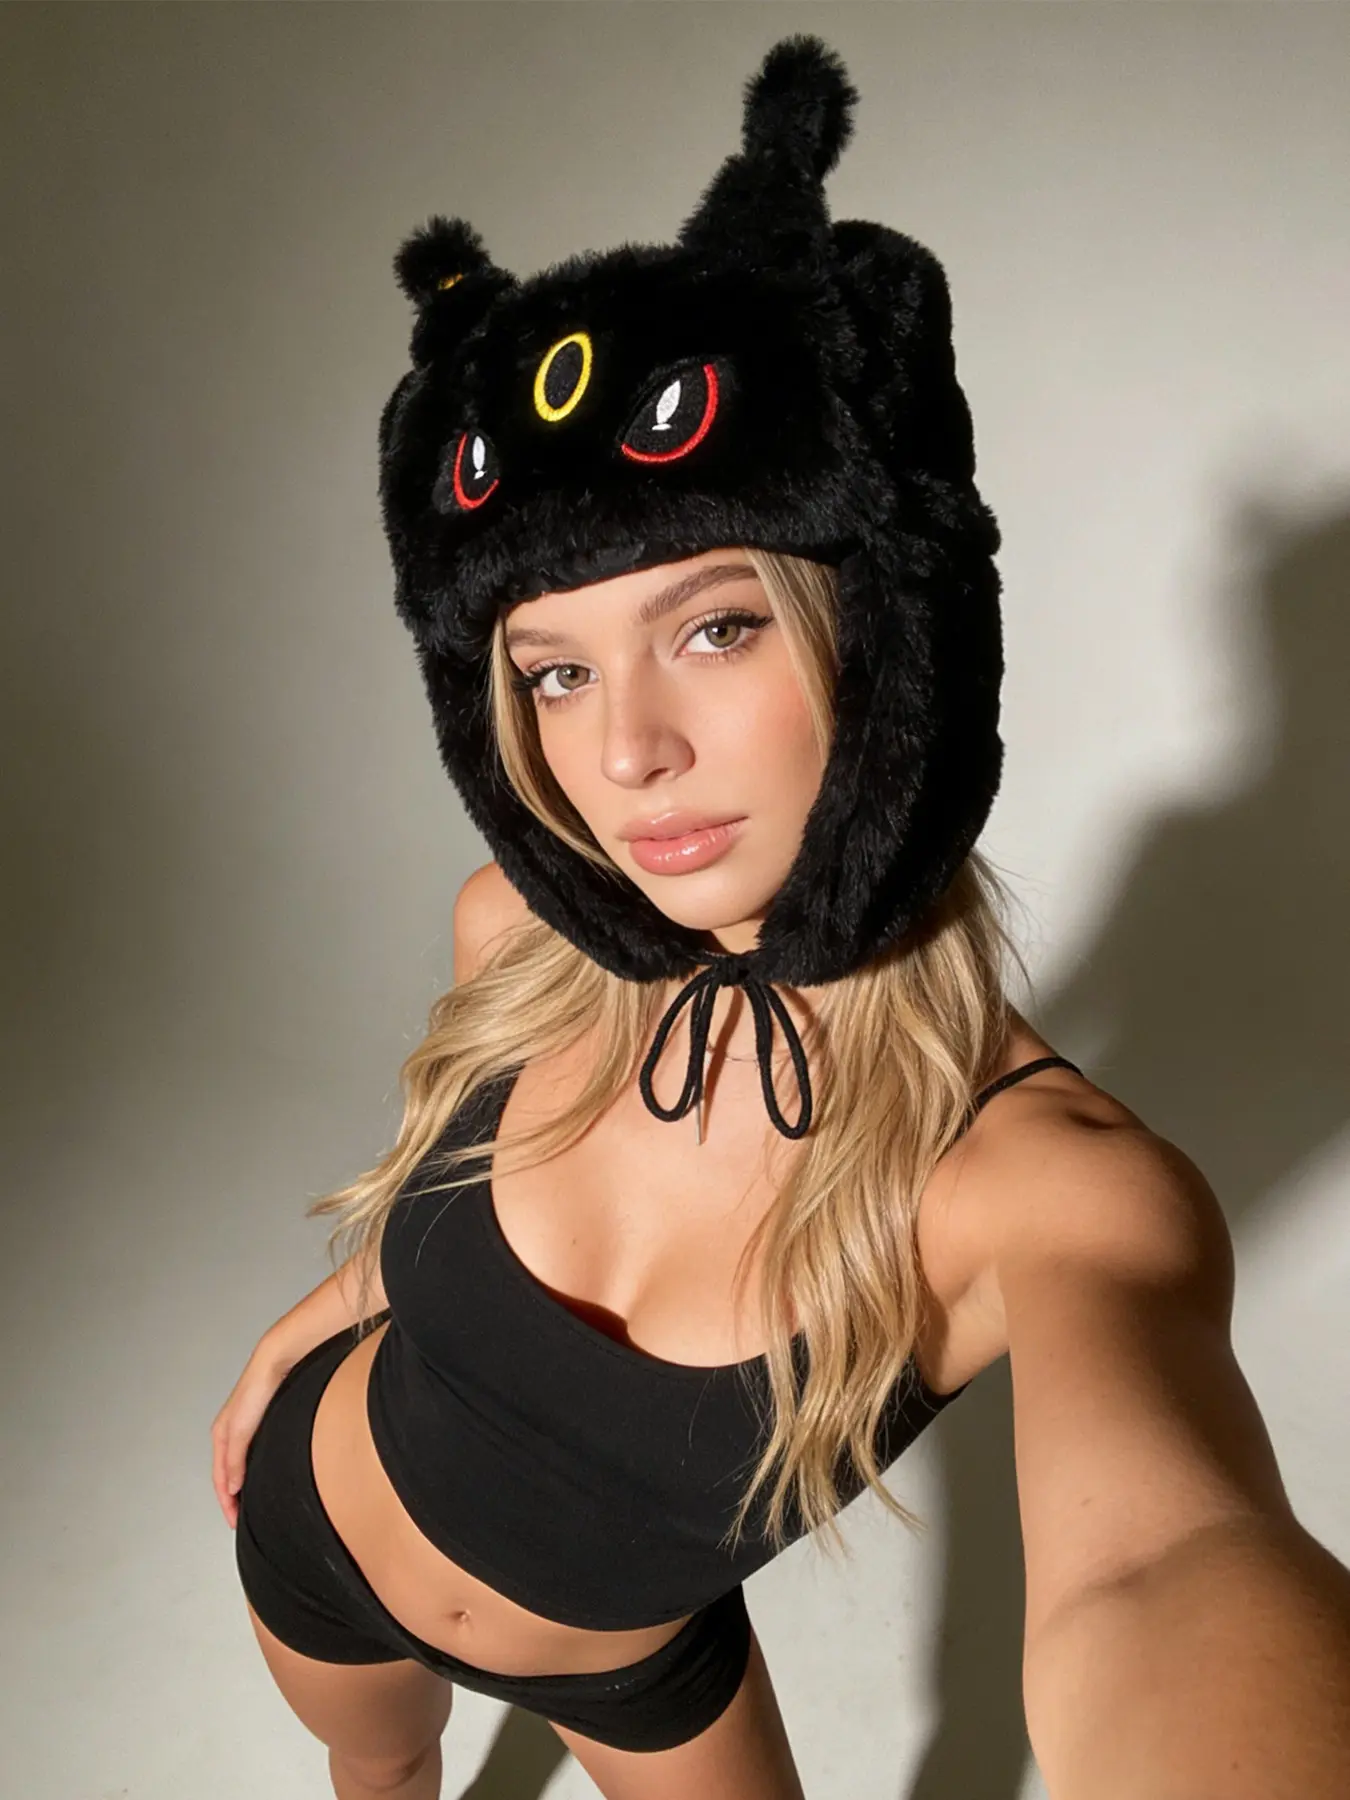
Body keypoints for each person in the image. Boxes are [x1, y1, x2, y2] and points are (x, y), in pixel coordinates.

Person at [211, 35, 1350, 1800]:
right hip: (313, 1536)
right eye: (555, 670)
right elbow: (451, 1204)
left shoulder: (1043, 1191)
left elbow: (1162, 1570)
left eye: (716, 627)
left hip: (632, 1667)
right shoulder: (513, 940)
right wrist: (322, 1318)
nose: (627, 752)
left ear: (877, 646)